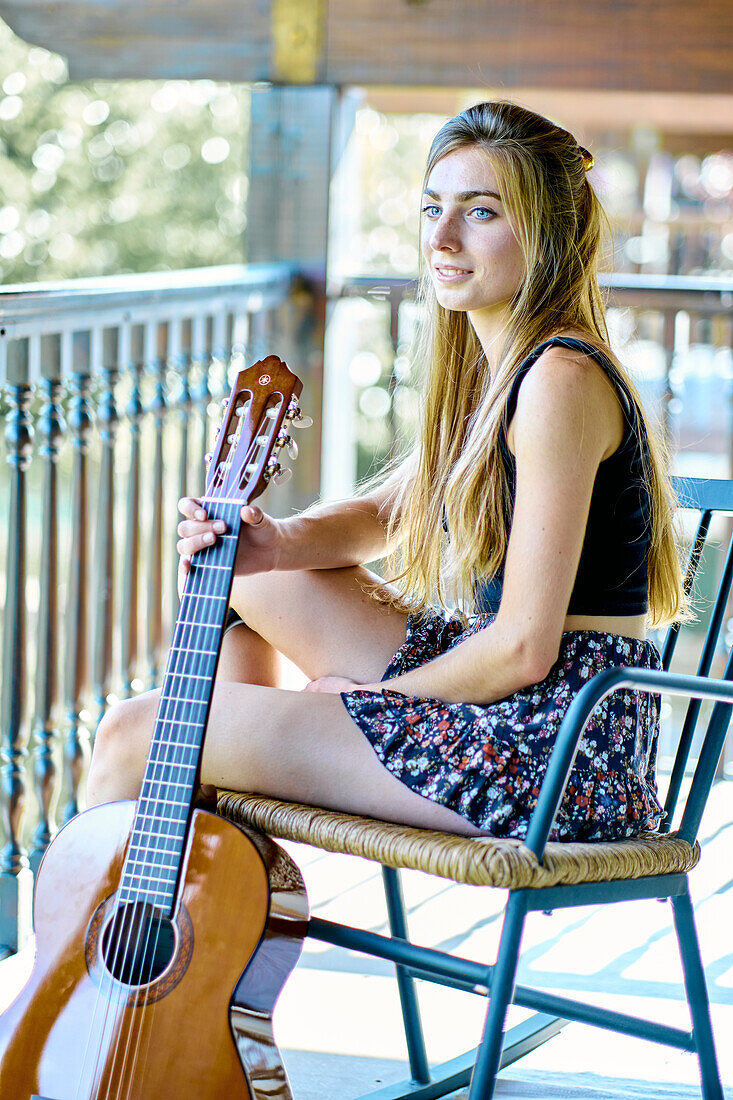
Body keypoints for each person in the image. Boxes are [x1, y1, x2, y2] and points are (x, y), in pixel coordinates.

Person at [87, 100, 687, 843]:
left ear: (548, 236)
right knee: (238, 570)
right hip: (510, 698)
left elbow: (524, 648)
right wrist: (272, 542)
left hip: (553, 747)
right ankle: (232, 854)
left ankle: (95, 949)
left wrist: (372, 704)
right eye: (433, 207)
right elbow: (389, 514)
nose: (439, 237)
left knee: (130, 732)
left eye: (479, 213)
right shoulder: (500, 369)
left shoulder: (557, 381)